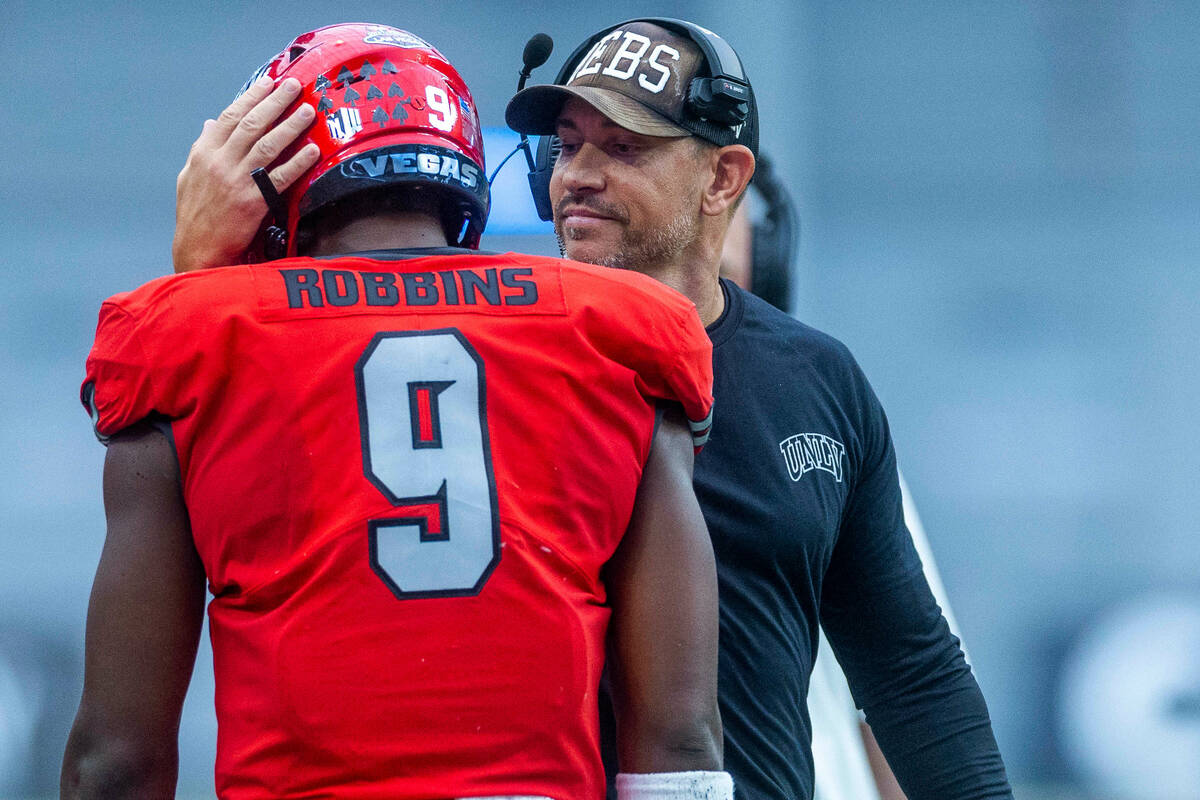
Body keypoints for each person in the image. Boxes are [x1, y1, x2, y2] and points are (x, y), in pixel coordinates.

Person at [168, 16, 1015, 800]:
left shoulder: (819, 382)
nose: (578, 176)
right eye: (566, 146)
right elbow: (262, 416)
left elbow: (909, 671)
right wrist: (196, 271)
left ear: (724, 176)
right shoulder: (484, 352)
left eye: (625, 147)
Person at [61, 24, 732, 800]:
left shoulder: (185, 338)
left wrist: (196, 281)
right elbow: (680, 736)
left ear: (268, 177)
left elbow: (118, 756)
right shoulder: (625, 328)